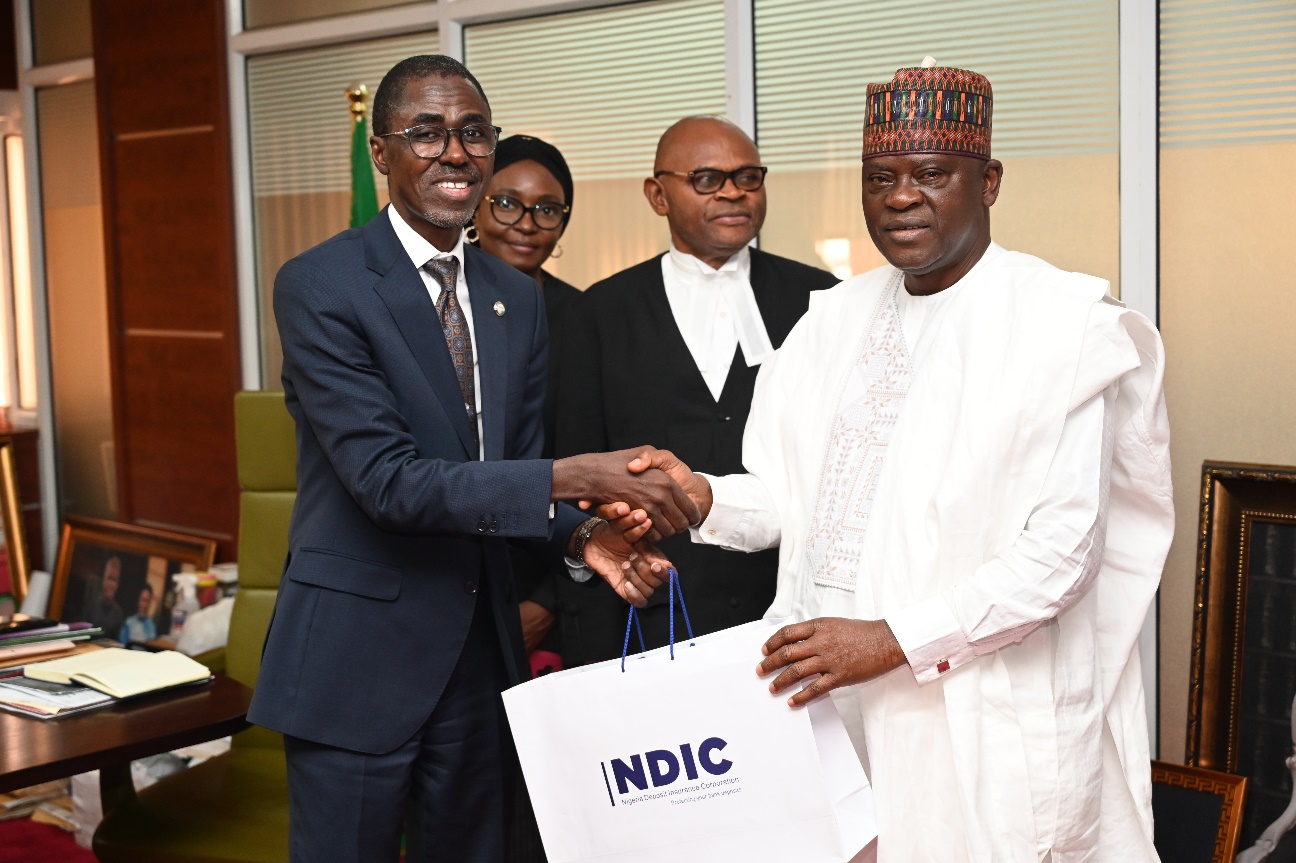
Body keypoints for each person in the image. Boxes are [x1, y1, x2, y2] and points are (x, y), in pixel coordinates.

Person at [620, 62, 1172, 860]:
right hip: (831, 702)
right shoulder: (832, 319)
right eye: (880, 178)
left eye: (931, 174)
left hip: (979, 712)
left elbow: (1063, 555)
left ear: (989, 181)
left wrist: (891, 639)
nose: (901, 197)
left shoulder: (1062, 325)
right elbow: (791, 500)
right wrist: (701, 495)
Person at [246, 54, 699, 863]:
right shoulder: (321, 285)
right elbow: (389, 483)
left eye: (473, 132)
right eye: (426, 133)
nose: (455, 153)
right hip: (357, 662)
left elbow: (507, 473)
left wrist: (580, 536)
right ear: (381, 152)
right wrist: (577, 475)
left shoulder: (514, 297)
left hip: (480, 659)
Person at [551, 116, 838, 664]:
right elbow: (574, 469)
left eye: (748, 177)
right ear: (657, 195)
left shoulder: (820, 299)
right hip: (655, 612)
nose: (733, 192)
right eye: (707, 179)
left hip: (791, 609)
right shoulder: (599, 312)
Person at [470, 134, 579, 666]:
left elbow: (594, 458)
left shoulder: (585, 319)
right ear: (475, 208)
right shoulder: (436, 303)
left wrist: (547, 601)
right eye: (507, 203)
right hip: (446, 566)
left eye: (547, 209)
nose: (527, 223)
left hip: (558, 572)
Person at [82, 555, 124, 637]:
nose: (111, 584)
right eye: (109, 578)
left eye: (114, 580)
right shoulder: (90, 607)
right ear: (103, 580)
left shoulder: (119, 614)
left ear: (118, 585)